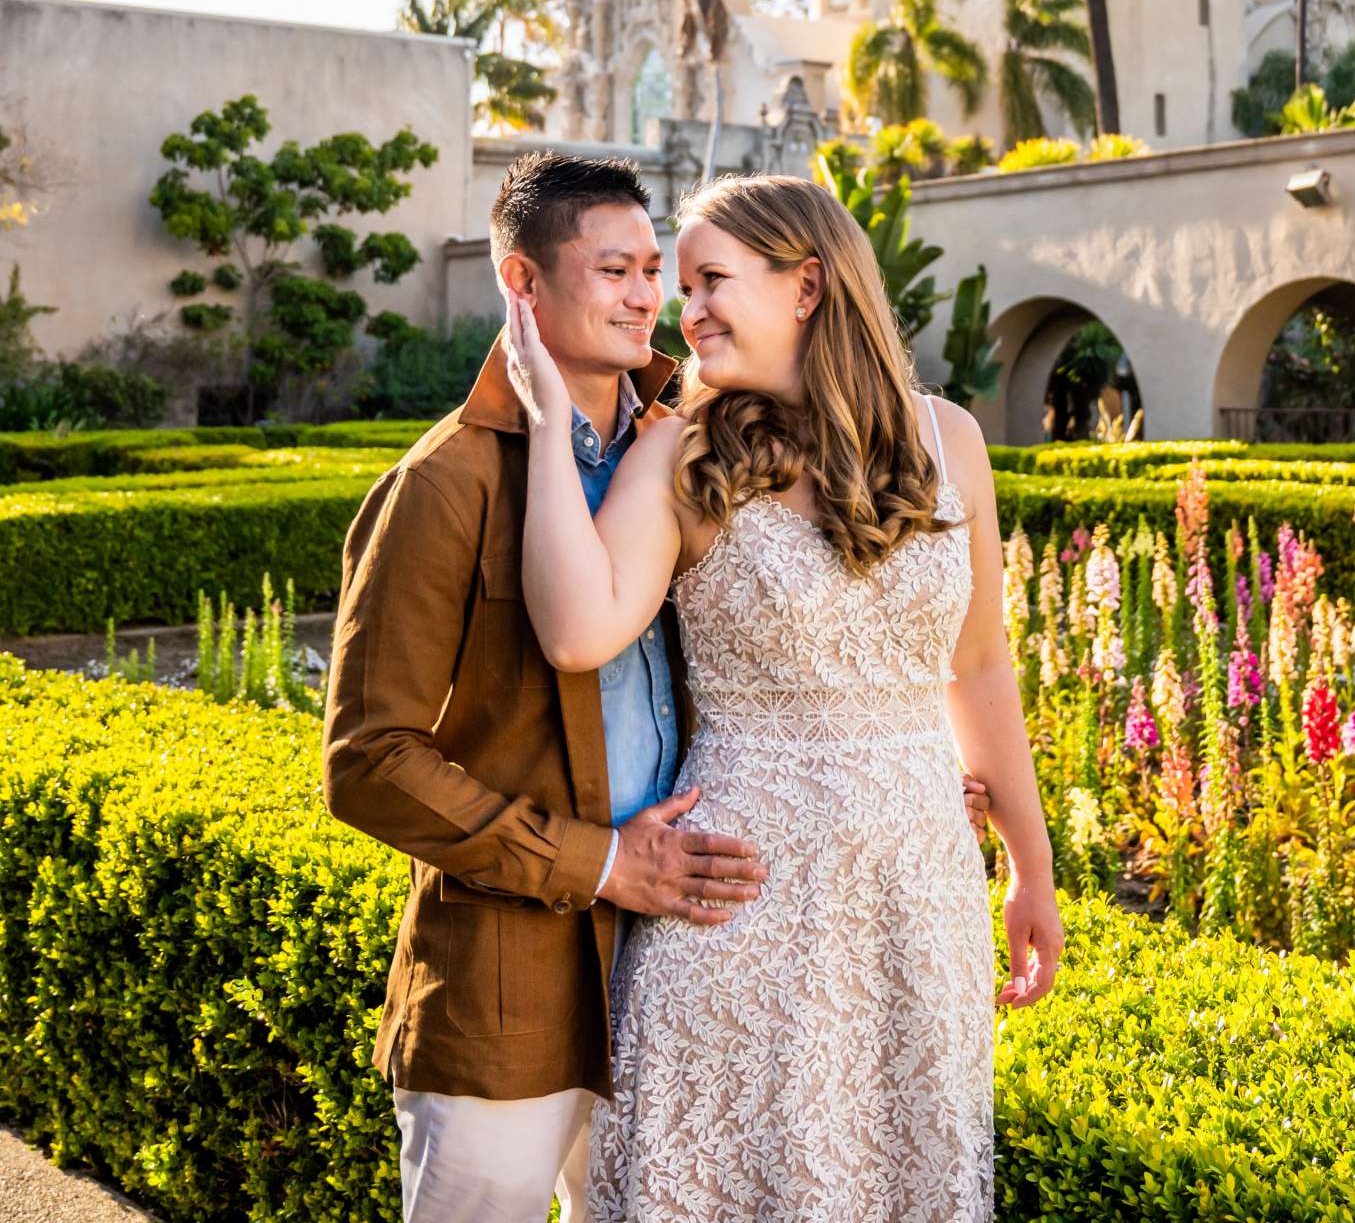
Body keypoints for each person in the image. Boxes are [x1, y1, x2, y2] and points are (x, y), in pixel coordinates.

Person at [511, 172, 1061, 1223]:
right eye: (685, 287)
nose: (689, 309)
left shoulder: (952, 440)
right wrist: (547, 425)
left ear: (807, 286)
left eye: (713, 280)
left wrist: (1031, 868)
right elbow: (576, 629)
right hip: (739, 905)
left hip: (917, 899)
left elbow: (980, 664)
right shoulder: (682, 449)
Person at [322, 152, 770, 1223]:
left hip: (680, 969)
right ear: (523, 285)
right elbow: (367, 763)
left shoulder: (696, 445)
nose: (647, 298)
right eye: (614, 270)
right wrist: (602, 862)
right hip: (503, 990)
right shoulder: (444, 483)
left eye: (653, 269)